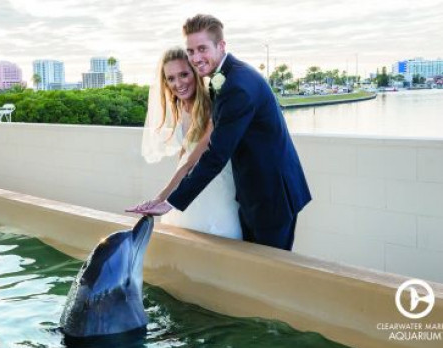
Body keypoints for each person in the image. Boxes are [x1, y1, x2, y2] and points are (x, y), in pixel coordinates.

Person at [130, 14, 311, 251]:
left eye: (202, 48)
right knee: (252, 264)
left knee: (270, 270)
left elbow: (216, 153)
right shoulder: (225, 77)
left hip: (271, 195)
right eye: (191, 51)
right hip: (251, 193)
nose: (195, 57)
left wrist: (171, 201)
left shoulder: (237, 86)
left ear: (221, 45)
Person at [126, 47, 242, 240]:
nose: (178, 83)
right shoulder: (181, 104)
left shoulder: (211, 106)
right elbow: (184, 155)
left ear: (195, 73)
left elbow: (192, 161)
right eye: (171, 78)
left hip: (211, 182)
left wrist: (161, 198)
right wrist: (167, 194)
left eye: (184, 74)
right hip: (186, 182)